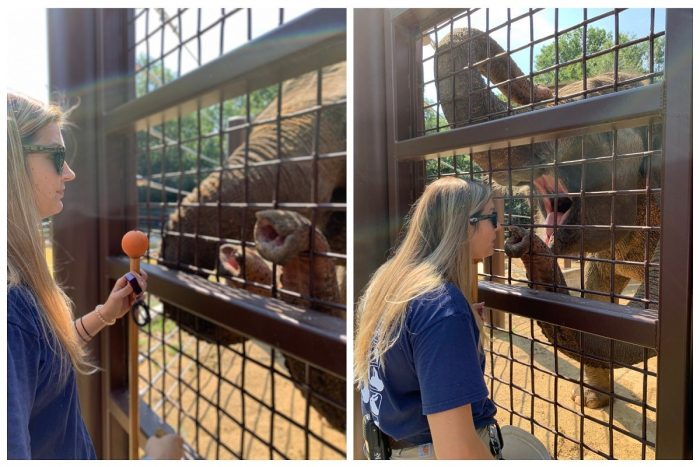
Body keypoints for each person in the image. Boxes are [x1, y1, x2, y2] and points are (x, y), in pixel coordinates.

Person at [7, 92, 181, 459]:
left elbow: (39, 357)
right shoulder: (9, 309)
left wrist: (106, 312)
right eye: (57, 156)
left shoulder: (17, 291)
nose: (69, 171)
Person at [354, 176, 501, 460]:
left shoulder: (390, 280)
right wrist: (452, 327)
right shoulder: (442, 309)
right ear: (465, 225)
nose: (498, 226)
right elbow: (457, 452)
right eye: (491, 217)